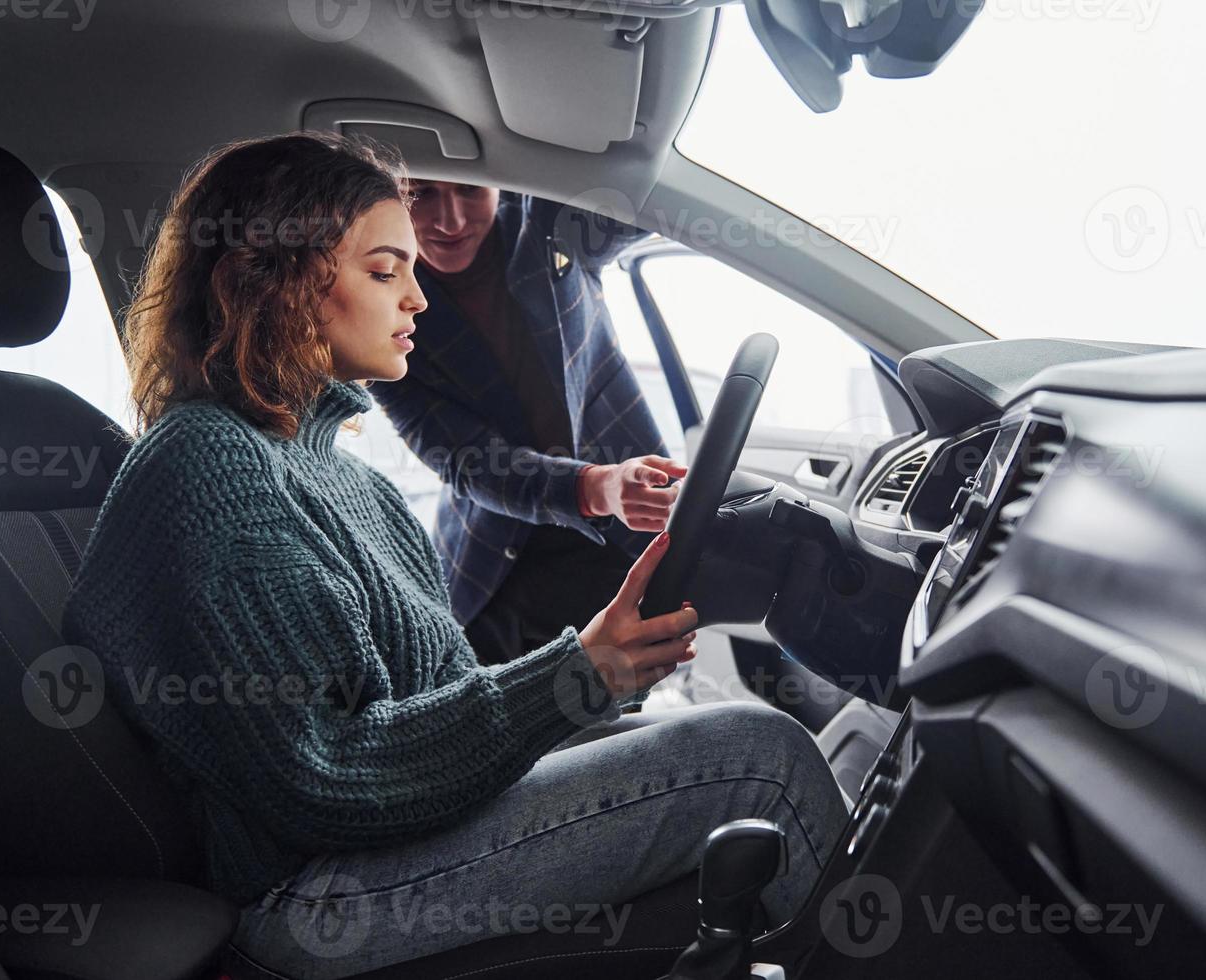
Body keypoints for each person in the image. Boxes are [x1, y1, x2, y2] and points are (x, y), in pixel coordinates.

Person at [59, 132, 848, 979]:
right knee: (759, 760)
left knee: (726, 735)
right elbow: (317, 780)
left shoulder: (347, 479)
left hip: (397, 839)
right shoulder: (209, 468)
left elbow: (439, 707)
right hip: (313, 893)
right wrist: (579, 676)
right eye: (384, 269)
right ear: (281, 277)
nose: (417, 300)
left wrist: (604, 688)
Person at [369, 179, 680, 665]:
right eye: (421, 194)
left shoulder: (551, 219)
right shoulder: (380, 316)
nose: (450, 221)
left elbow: (653, 195)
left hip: (626, 531)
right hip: (497, 565)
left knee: (614, 708)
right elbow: (470, 465)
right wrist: (599, 487)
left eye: (469, 191)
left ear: (498, 180)